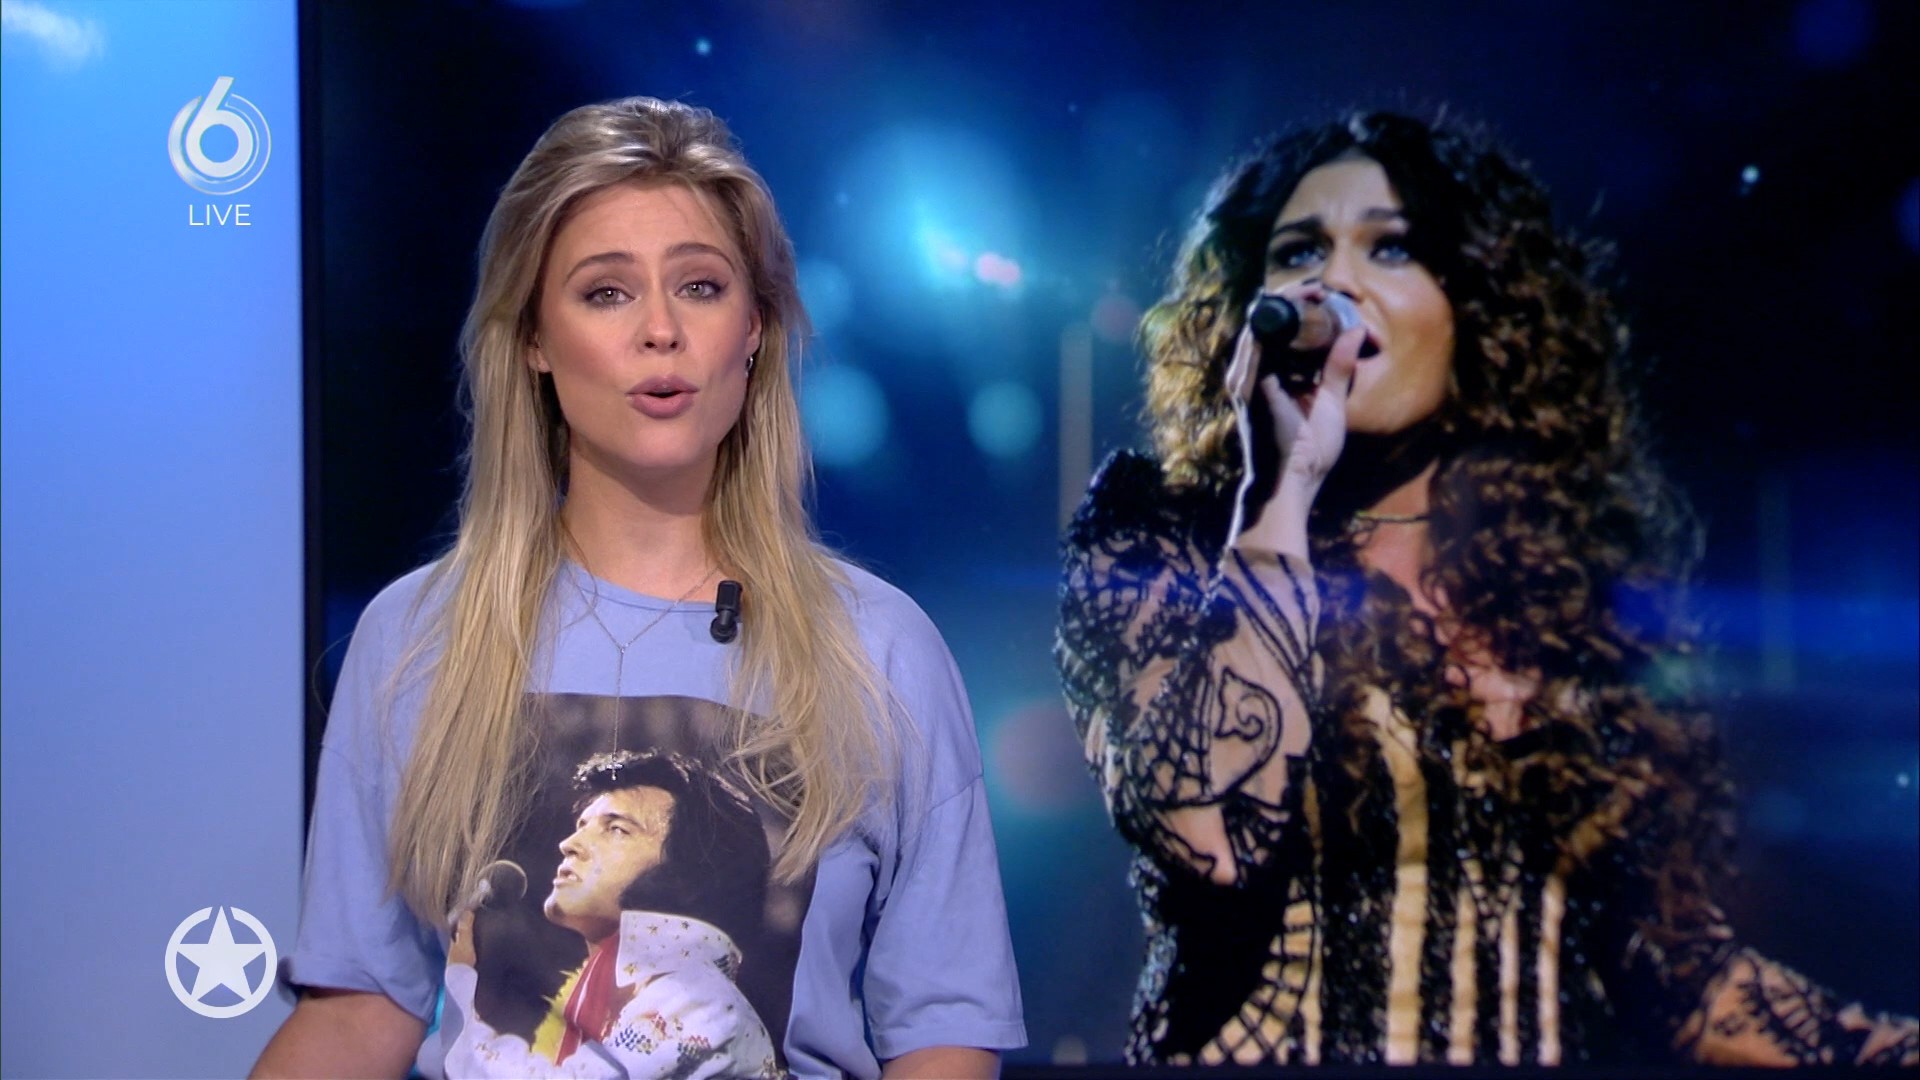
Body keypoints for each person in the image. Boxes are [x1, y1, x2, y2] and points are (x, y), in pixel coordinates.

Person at [1055, 110, 1918, 1067]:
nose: (1335, 283)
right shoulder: (1163, 536)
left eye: (1390, 247)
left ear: (1475, 304)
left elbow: (1680, 980)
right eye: (1299, 252)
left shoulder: (1562, 596)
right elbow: (1207, 834)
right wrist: (1280, 491)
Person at [255, 96, 1025, 1079]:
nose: (661, 330)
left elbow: (942, 1029)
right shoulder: (416, 635)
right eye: (607, 292)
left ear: (755, 329)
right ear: (534, 338)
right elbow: (362, 1008)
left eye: (700, 287)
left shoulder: (876, 648)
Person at [441, 750, 778, 1076]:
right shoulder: (630, 992)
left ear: (692, 874)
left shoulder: (696, 999)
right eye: (581, 825)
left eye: (616, 829)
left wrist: (457, 985)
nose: (569, 843)